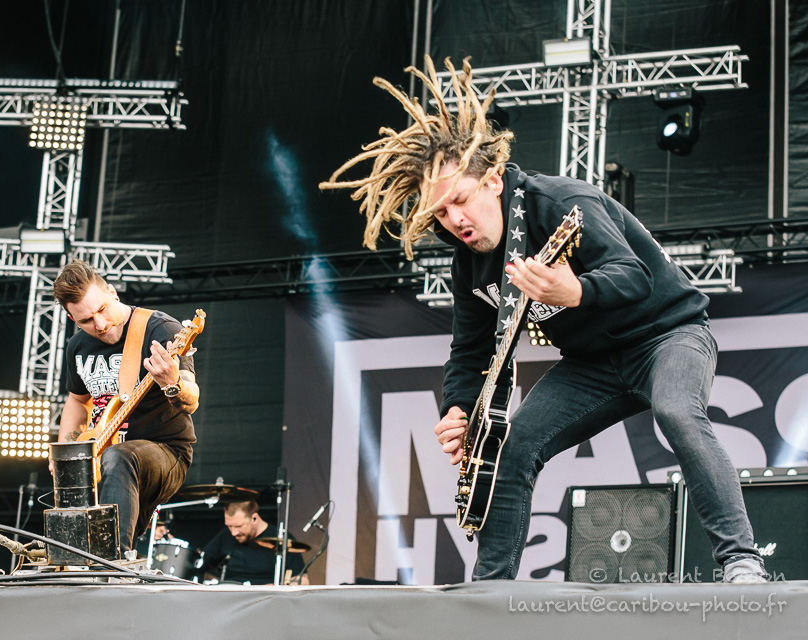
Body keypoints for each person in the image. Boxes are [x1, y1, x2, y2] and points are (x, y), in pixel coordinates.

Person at [320, 56, 768, 584]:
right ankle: (488, 591)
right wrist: (458, 408)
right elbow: (471, 349)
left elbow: (635, 276)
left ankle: (741, 560)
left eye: (460, 200)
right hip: (592, 364)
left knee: (677, 413)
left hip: (668, 335)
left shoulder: (561, 202)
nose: (455, 219)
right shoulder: (468, 260)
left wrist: (577, 290)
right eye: (440, 212)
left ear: (492, 180)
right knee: (511, 449)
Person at [52, 259, 200, 556]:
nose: (100, 325)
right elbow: (78, 401)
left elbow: (192, 399)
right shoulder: (78, 346)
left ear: (112, 292)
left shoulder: (160, 329)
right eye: (86, 320)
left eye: (102, 310)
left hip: (165, 452)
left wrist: (172, 384)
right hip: (104, 456)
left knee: (119, 456)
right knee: (74, 537)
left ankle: (111, 563)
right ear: (72, 318)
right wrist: (66, 452)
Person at [200, 501, 307, 584]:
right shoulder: (225, 536)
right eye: (229, 526)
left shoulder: (281, 538)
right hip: (230, 598)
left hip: (266, 599)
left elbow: (302, 580)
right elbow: (200, 564)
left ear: (254, 518)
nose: (233, 532)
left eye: (238, 526)